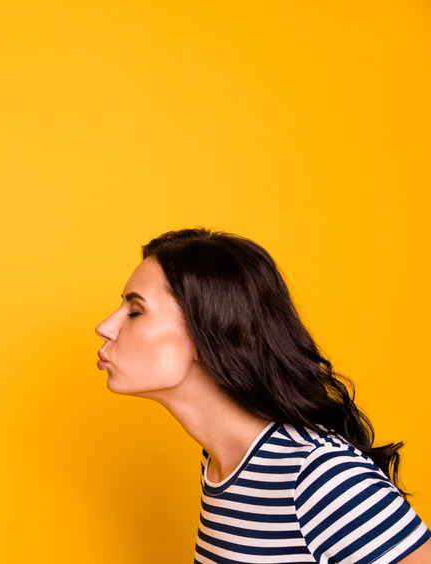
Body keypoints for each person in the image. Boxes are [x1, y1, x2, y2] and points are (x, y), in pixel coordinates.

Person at [95, 228, 430, 564]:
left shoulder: (316, 472)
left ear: (206, 333)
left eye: (135, 311)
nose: (105, 327)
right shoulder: (220, 465)